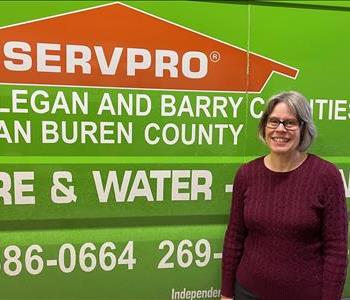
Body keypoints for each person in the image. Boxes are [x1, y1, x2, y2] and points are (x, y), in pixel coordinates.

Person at [221, 91, 348, 300]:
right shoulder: (246, 174)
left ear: (304, 128)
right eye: (273, 122)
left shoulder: (326, 176)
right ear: (264, 126)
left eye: (290, 123)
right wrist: (226, 293)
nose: (280, 129)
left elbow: (336, 251)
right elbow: (234, 238)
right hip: (248, 293)